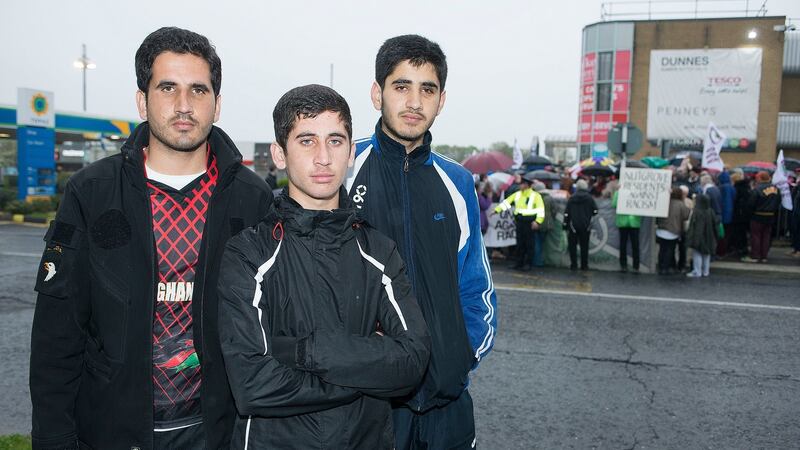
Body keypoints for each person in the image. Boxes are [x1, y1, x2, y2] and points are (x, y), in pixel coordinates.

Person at [29, 27, 273, 450]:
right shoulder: (92, 192)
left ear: (217, 105)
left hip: (218, 433)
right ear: (143, 100)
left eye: (199, 90)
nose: (183, 105)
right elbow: (57, 334)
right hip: (112, 432)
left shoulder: (251, 198)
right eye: (167, 88)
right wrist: (52, 438)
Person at [217, 85, 430, 449]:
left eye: (335, 141)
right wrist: (367, 369)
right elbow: (251, 384)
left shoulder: (378, 250)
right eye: (306, 141)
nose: (323, 158)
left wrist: (300, 352)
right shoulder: (248, 253)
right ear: (279, 155)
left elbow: (411, 362)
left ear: (350, 153)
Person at [345, 34, 497, 450]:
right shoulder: (343, 169)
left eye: (426, 89)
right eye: (401, 86)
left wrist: (459, 358)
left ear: (441, 100)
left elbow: (476, 287)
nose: (414, 101)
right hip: (369, 404)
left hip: (446, 406)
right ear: (377, 94)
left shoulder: (459, 182)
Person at [495, 175, 545, 271]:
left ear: (526, 185)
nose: (520, 186)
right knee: (520, 243)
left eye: (521, 184)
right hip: (519, 222)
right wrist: (496, 210)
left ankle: (528, 263)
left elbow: (540, 210)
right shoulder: (517, 194)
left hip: (530, 222)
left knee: (529, 244)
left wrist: (537, 222)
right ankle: (519, 263)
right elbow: (507, 203)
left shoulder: (536, 196)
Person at [742, 171, 781, 263]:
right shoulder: (776, 189)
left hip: (758, 215)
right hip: (770, 216)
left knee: (756, 236)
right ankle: (764, 256)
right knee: (766, 237)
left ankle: (755, 256)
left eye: (757, 178)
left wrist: (749, 213)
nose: (756, 179)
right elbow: (778, 201)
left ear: (760, 178)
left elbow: (751, 203)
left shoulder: (757, 189)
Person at [563, 179, 598, 270]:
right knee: (584, 246)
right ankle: (584, 265)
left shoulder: (572, 198)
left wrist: (565, 224)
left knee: (572, 247)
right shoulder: (589, 198)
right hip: (586, 226)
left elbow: (567, 212)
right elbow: (595, 211)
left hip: (573, 225)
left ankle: (573, 264)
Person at [656, 187, 691, 274]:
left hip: (661, 228)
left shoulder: (664, 203)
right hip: (673, 230)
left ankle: (661, 266)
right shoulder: (680, 204)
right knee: (670, 250)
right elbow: (686, 215)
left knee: (662, 249)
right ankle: (666, 267)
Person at [685, 194, 719, 277]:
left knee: (697, 254)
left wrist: (689, 236)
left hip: (698, 236)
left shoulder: (696, 211)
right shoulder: (711, 211)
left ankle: (697, 271)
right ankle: (706, 271)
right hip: (709, 236)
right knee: (706, 254)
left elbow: (692, 225)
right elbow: (715, 224)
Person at [611, 186, 642, 273]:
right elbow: (614, 204)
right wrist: (617, 192)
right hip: (629, 222)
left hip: (629, 222)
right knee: (626, 245)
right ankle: (627, 265)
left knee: (631, 245)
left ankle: (633, 266)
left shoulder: (639, 192)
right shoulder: (619, 192)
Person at [532, 180, 554, 267]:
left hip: (537, 222)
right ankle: (541, 260)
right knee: (542, 242)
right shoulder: (550, 198)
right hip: (547, 224)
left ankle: (537, 261)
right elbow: (554, 210)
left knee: (537, 243)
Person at [730, 169, 752, 257]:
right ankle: (743, 249)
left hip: (739, 214)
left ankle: (741, 250)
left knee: (739, 233)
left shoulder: (737, 188)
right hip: (745, 215)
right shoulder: (746, 187)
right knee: (743, 234)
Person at [717, 170, 735, 256]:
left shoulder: (720, 188)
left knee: (721, 234)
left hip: (722, 214)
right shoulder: (731, 188)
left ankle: (720, 251)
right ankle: (726, 250)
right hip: (731, 214)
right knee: (728, 234)